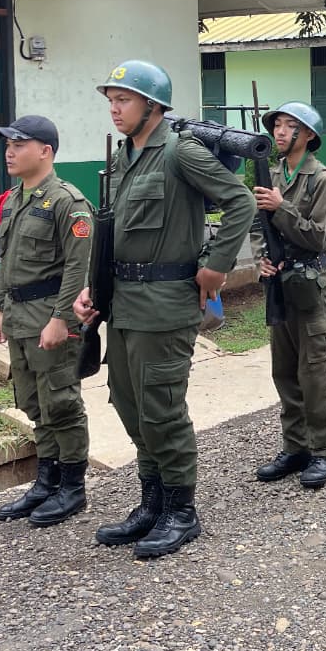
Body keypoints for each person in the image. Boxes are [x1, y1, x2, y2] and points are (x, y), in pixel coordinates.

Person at [73, 60, 256, 559]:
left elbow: (239, 201)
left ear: (151, 105)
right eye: (111, 99)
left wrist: (216, 267)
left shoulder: (180, 152)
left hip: (166, 304)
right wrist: (94, 291)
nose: (114, 108)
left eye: (124, 99)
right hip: (125, 305)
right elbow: (112, 233)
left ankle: (181, 510)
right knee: (130, 405)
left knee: (162, 409)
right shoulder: (122, 159)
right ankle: (151, 503)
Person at [0, 115, 93, 527]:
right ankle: (46, 480)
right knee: (34, 402)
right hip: (18, 317)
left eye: (19, 144)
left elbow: (77, 268)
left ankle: (72, 487)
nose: (9, 151)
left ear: (45, 151)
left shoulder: (68, 201)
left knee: (61, 402)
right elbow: (7, 260)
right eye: (8, 144)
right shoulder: (15, 198)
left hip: (49, 318)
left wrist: (61, 319)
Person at [252, 102, 326, 488]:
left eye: (291, 127)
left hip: (312, 287)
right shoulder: (271, 173)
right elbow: (259, 225)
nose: (281, 132)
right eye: (278, 126)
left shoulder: (324, 180)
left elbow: (320, 236)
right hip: (281, 286)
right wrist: (261, 258)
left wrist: (282, 206)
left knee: (313, 373)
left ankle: (323, 451)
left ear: (308, 135)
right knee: (284, 371)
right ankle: (295, 447)